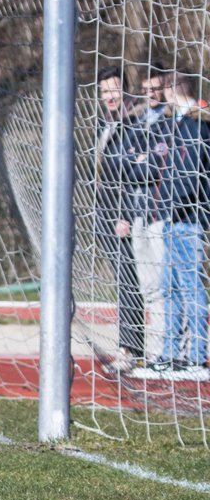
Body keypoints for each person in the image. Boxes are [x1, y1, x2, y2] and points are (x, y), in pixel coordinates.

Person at [143, 71, 209, 381]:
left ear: (173, 89)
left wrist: (166, 203)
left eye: (163, 89)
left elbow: (190, 173)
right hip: (170, 219)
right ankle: (169, 354)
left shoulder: (199, 123)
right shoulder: (175, 123)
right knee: (168, 288)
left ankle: (197, 355)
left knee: (190, 287)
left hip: (188, 220)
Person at [117, 61, 171, 370]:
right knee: (147, 287)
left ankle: (169, 349)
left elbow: (156, 167)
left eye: (156, 88)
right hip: (137, 214)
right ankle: (153, 351)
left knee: (165, 285)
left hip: (160, 214)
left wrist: (143, 162)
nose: (151, 94)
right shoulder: (136, 125)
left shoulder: (172, 122)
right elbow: (127, 167)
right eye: (146, 89)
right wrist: (142, 162)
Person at [94, 65, 145, 373]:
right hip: (104, 214)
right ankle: (128, 346)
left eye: (114, 90)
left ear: (126, 90)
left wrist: (124, 215)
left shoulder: (136, 126)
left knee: (129, 283)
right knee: (122, 282)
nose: (109, 97)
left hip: (123, 218)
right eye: (105, 92)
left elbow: (134, 177)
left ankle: (130, 349)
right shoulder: (104, 125)